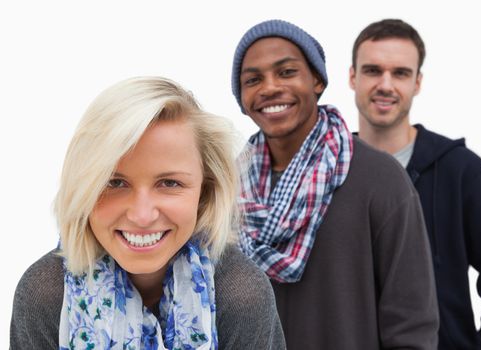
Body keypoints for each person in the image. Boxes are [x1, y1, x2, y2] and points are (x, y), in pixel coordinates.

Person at [10, 77, 285, 350]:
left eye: (169, 183)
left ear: (205, 190)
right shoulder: (45, 294)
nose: (142, 216)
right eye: (115, 183)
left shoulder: (240, 294)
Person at [231, 19, 439, 349]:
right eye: (253, 79)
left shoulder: (380, 179)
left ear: (317, 79)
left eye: (286, 72)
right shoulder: (227, 188)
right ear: (242, 97)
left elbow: (412, 322)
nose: (269, 87)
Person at [350, 18, 481, 349]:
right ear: (352, 77)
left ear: (417, 82)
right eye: (373, 70)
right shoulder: (327, 171)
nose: (385, 84)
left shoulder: (461, 171)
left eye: (400, 73)